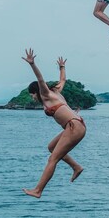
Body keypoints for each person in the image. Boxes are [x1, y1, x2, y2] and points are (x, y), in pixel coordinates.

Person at [22, 48, 86, 198]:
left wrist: (32, 64)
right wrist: (62, 67)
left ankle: (38, 190)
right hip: (75, 125)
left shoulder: (45, 94)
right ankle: (76, 167)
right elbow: (63, 80)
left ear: (36, 92)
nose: (32, 98)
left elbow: (40, 80)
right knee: (51, 147)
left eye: (32, 95)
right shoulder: (55, 92)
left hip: (74, 127)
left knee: (53, 159)